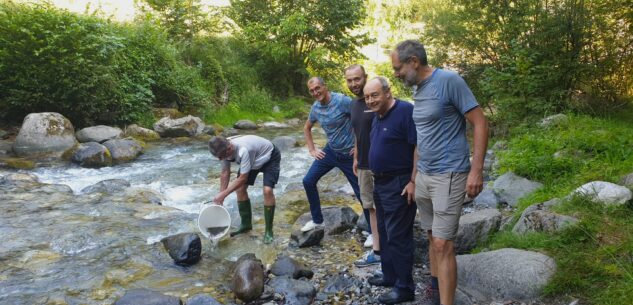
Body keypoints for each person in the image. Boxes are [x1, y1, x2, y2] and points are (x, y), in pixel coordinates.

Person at [391, 40, 489, 305]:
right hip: (424, 175)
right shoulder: (419, 90)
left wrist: (476, 171)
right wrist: (413, 178)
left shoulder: (448, 80)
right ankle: (435, 292)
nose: (396, 74)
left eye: (398, 68)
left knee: (442, 245)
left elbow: (480, 122)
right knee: (432, 237)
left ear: (414, 61)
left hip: (450, 174)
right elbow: (422, 138)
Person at [363, 77, 418, 304]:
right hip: (381, 182)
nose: (370, 100)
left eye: (374, 95)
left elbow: (417, 146)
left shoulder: (406, 111)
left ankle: (404, 287)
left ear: (387, 92)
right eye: (367, 97)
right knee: (384, 232)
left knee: (398, 236)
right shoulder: (378, 115)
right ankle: (390, 275)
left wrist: (413, 180)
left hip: (399, 183)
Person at [301, 77, 372, 233]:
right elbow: (307, 128)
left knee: (362, 193)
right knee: (308, 181)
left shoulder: (342, 101)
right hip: (331, 151)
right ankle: (317, 221)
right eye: (311, 90)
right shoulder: (316, 108)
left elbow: (361, 121)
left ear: (325, 86)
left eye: (317, 88)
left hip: (349, 156)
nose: (315, 92)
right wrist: (312, 149)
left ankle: (373, 233)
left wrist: (358, 146)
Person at [208, 135, 281, 244]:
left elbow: (243, 178)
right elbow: (225, 172)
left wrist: (224, 195)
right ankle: (246, 225)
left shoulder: (244, 149)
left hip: (269, 157)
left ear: (229, 149)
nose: (219, 159)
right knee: (240, 189)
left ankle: (269, 231)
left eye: (220, 157)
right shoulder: (222, 148)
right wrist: (221, 196)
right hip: (253, 160)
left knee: (267, 190)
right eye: (218, 157)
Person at [345, 64, 382, 267]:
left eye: (357, 79)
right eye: (349, 80)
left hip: (384, 165)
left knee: (389, 208)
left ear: (365, 77)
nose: (353, 84)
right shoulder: (353, 105)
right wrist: (356, 158)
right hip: (365, 166)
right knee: (371, 208)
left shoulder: (376, 101)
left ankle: (394, 252)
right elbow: (358, 133)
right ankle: (377, 252)